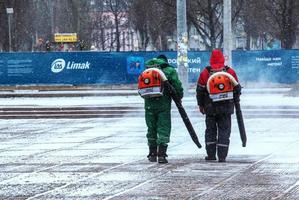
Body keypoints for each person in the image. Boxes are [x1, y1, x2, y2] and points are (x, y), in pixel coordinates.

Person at [196, 49, 241, 162]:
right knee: (224, 131)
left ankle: (211, 155)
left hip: (210, 108)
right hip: (226, 108)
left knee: (210, 130)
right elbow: (237, 89)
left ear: (211, 59)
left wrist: (201, 105)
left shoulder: (205, 73)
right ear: (222, 59)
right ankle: (222, 156)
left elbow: (200, 91)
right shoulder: (230, 72)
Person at [141, 55, 183, 164]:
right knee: (163, 128)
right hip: (163, 105)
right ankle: (162, 155)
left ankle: (152, 154)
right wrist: (179, 96)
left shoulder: (147, 69)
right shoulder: (169, 70)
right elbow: (177, 86)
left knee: (151, 128)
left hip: (149, 104)